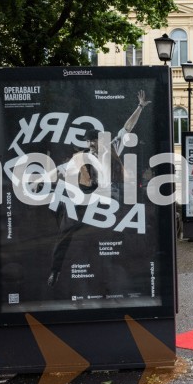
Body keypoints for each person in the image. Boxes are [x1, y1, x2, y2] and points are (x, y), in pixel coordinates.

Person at [46, 90, 151, 287]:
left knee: (116, 230)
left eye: (93, 142)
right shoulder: (81, 156)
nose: (91, 145)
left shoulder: (110, 149)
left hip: (105, 199)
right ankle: (55, 271)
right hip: (84, 199)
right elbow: (61, 170)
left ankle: (123, 271)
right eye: (88, 142)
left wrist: (139, 107)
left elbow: (126, 129)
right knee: (65, 232)